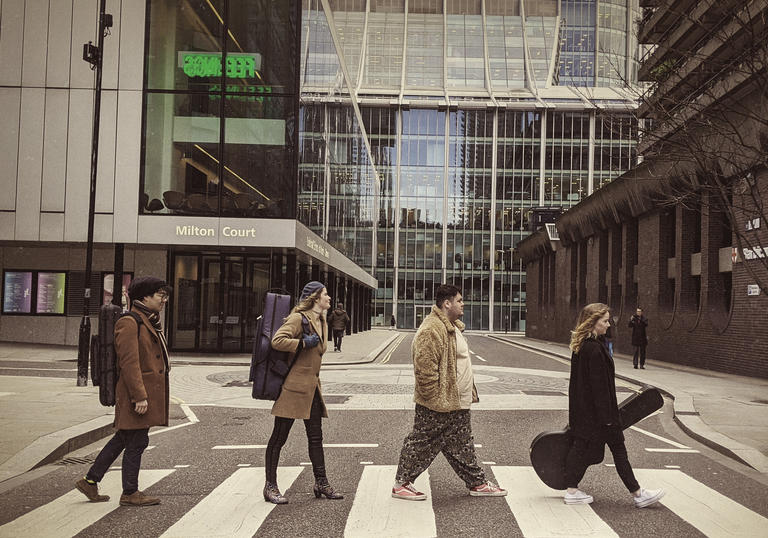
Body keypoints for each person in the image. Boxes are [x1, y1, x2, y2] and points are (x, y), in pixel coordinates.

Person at [392, 284, 507, 500]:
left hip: (456, 401)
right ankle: (401, 483)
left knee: (462, 443)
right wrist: (434, 399)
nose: (463, 304)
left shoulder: (450, 327)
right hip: (439, 402)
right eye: (459, 300)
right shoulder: (431, 329)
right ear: (447, 303)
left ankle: (477, 483)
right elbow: (424, 369)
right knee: (421, 441)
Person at [75, 276, 172, 506]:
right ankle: (130, 492)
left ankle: (90, 481)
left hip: (142, 392)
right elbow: (129, 363)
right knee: (137, 442)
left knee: (123, 438)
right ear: (144, 297)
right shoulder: (130, 322)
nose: (164, 300)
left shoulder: (147, 320)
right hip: (135, 394)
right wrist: (139, 396)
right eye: (160, 295)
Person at [563, 302, 665, 508]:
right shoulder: (594, 350)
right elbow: (600, 388)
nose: (608, 325)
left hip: (586, 413)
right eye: (605, 321)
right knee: (617, 450)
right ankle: (638, 494)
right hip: (600, 415)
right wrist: (608, 419)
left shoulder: (584, 345)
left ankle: (572, 490)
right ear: (593, 323)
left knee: (582, 448)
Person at [263, 281, 343, 504]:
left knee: (316, 438)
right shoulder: (299, 318)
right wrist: (301, 343)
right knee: (279, 437)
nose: (329, 297)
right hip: (293, 388)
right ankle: (270, 486)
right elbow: (277, 340)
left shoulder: (321, 319)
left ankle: (321, 482)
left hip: (312, 389)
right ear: (316, 297)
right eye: (326, 294)